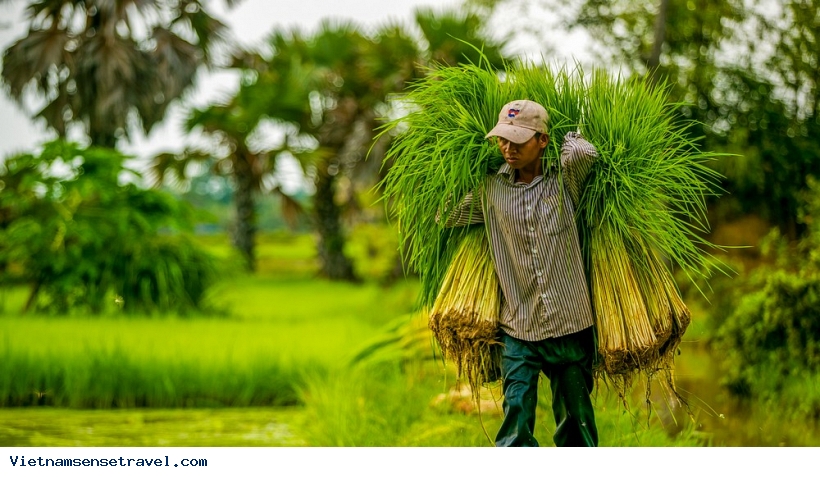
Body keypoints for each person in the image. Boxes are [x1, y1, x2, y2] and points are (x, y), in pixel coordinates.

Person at [443, 99, 599, 447]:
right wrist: (452, 170)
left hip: (570, 325)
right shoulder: (490, 190)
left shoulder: (565, 183)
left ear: (543, 140)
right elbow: (446, 217)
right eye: (502, 139)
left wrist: (570, 132)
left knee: (577, 425)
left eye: (518, 139)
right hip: (519, 326)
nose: (507, 148)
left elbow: (585, 154)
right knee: (514, 426)